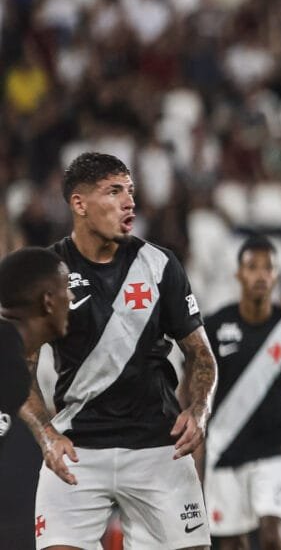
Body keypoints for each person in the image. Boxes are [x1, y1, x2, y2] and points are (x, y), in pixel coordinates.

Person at [20, 152, 218, 549]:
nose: (129, 202)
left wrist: (199, 408)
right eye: (114, 192)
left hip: (158, 446)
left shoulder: (161, 265)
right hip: (78, 451)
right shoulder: (47, 274)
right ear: (79, 204)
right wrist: (45, 436)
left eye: (130, 191)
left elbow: (200, 354)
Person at [200, 235, 281, 550]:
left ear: (276, 276)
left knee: (272, 537)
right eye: (251, 267)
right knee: (230, 545)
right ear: (238, 274)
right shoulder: (216, 325)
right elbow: (195, 385)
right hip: (224, 450)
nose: (260, 275)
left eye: (267, 267)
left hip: (274, 452)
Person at [0, 248, 71, 453]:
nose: (72, 297)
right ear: (48, 301)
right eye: (66, 288)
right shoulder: (9, 367)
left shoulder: (11, 354)